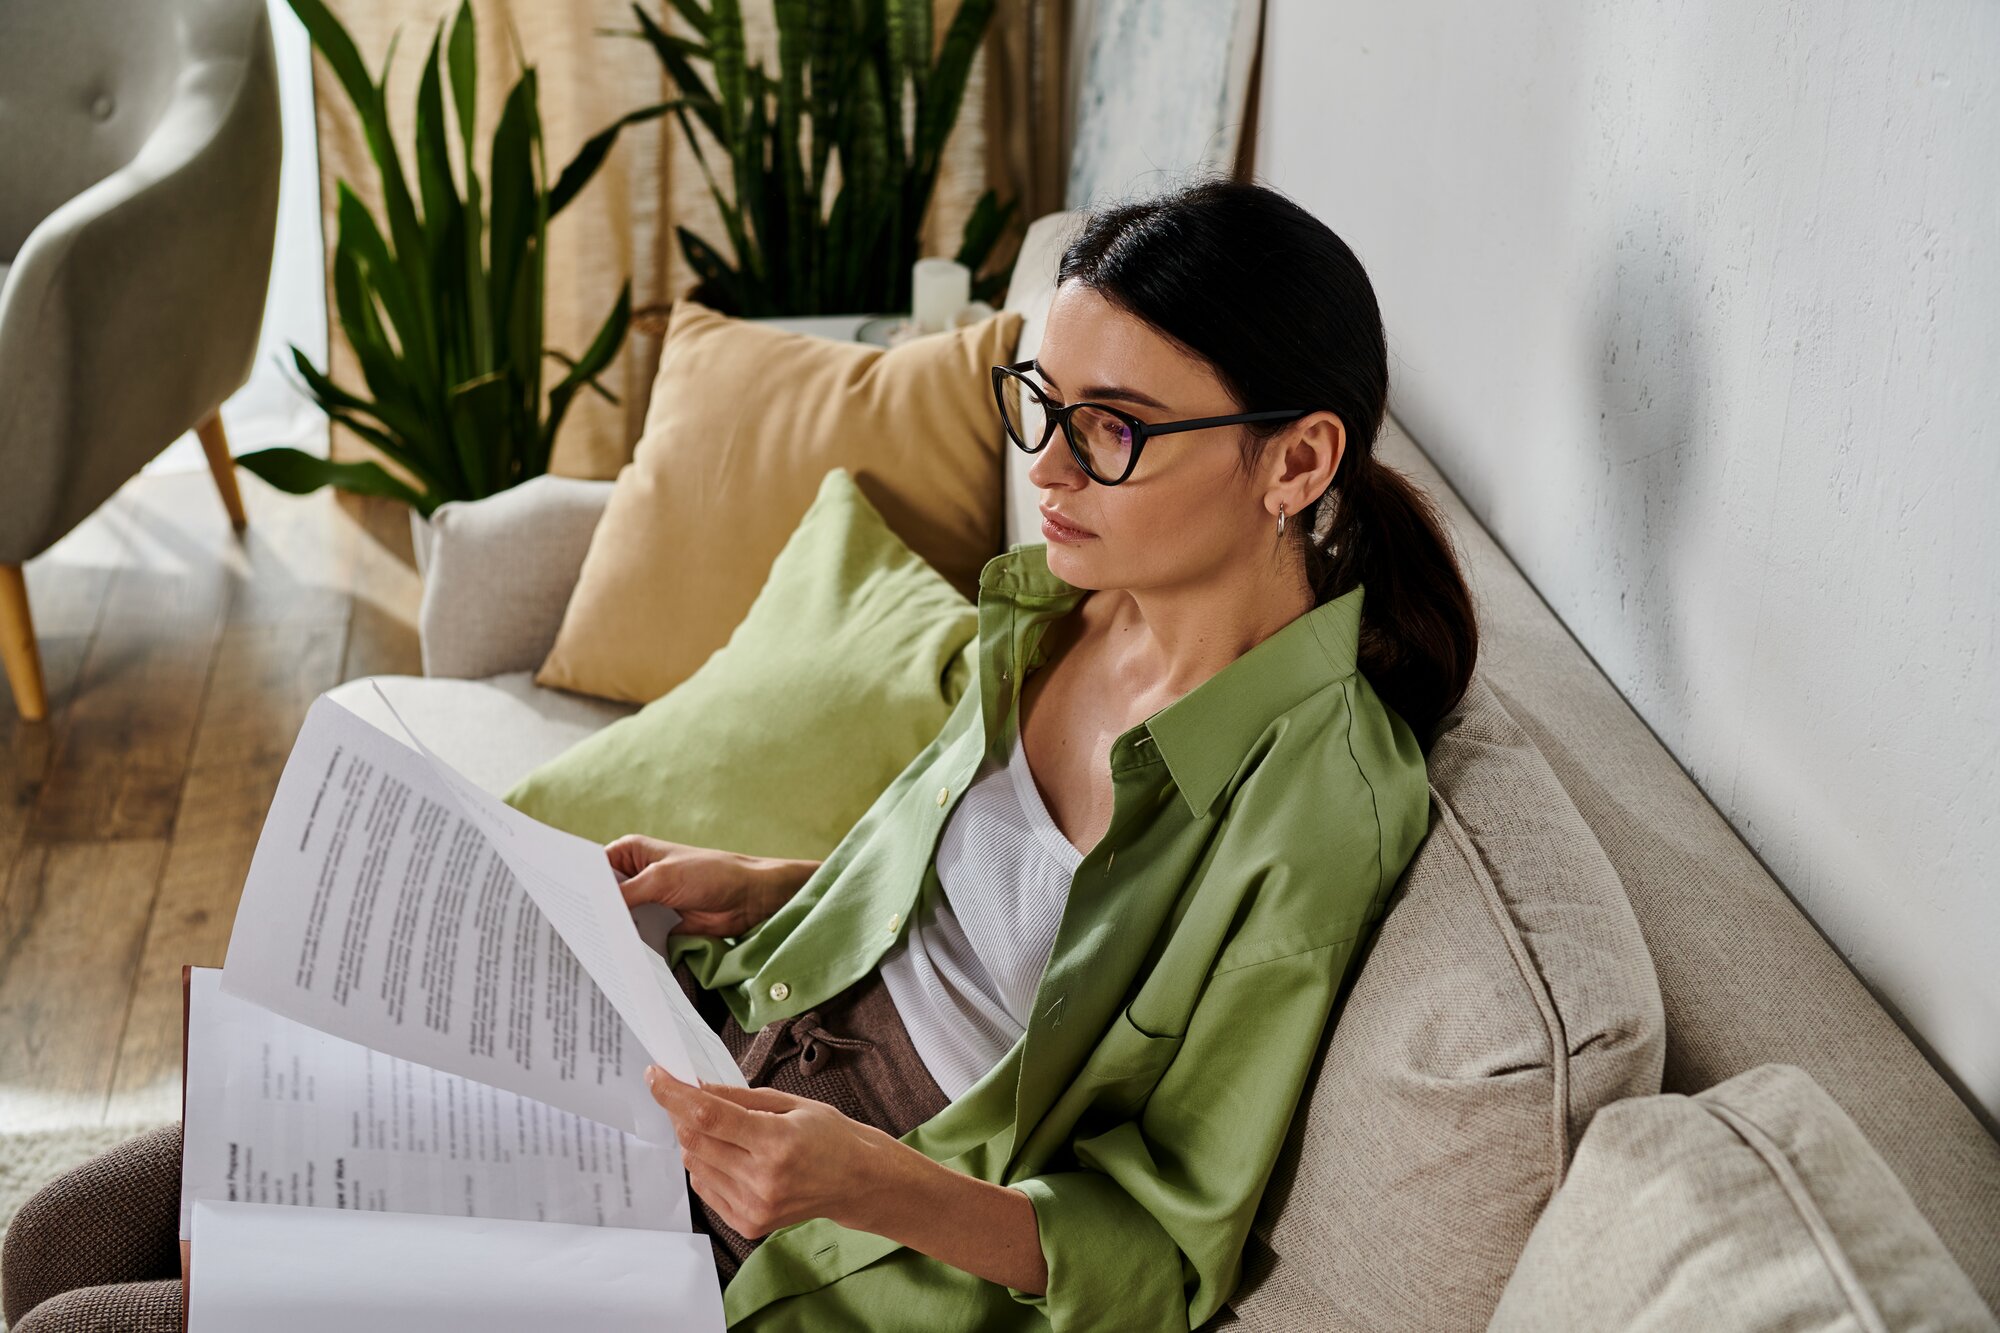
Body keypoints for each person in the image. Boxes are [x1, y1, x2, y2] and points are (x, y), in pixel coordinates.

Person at [1, 174, 1477, 1332]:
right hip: (716, 1043)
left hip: (835, 1233)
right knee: (59, 1233)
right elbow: (983, 908)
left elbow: (1160, 1258)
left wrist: (854, 1178)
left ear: (1297, 460)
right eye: (1039, 401)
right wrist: (766, 883)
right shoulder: (1068, 612)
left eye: (1110, 428)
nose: (1042, 470)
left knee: (90, 1322)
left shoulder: (1321, 808)